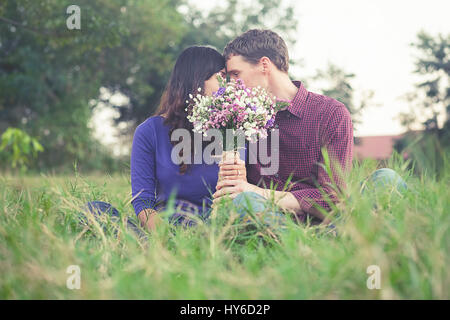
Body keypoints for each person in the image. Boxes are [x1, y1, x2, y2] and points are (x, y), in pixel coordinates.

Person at [214, 29, 407, 226]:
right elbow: (238, 192)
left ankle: (336, 241)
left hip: (332, 221)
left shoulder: (331, 113)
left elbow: (334, 198)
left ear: (264, 65)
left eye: (236, 75)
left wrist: (255, 191)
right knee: (243, 202)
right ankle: (303, 247)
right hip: (275, 220)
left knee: (387, 178)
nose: (232, 85)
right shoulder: (238, 119)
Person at [82, 46, 248, 235]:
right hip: (164, 229)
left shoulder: (232, 129)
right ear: (197, 79)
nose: (227, 85)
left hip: (213, 229)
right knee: (94, 210)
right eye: (220, 75)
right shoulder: (149, 131)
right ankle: (150, 247)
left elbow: (239, 195)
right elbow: (143, 200)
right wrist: (167, 239)